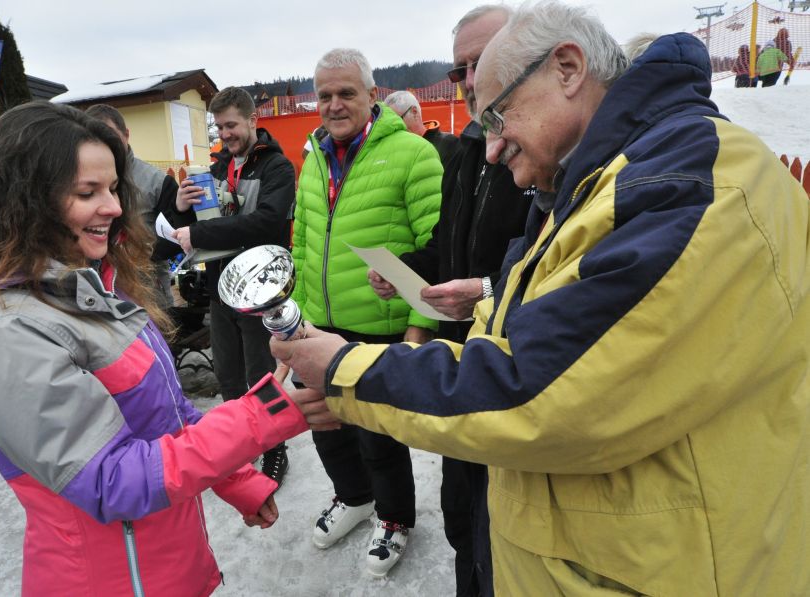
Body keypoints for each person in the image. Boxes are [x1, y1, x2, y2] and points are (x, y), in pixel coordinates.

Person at [273, 2, 810, 595]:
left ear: (567, 68)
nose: (491, 148)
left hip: (663, 564)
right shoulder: (608, 175)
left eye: (498, 115)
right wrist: (477, 303)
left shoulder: (680, 186)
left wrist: (348, 372)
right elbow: (554, 311)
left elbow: (543, 388)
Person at [0, 101, 310, 596]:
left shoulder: (91, 289)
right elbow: (111, 480)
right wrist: (262, 415)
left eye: (113, 188)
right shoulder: (8, 332)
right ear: (25, 201)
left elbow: (169, 413)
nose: (116, 207)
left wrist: (236, 480)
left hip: (166, 566)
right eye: (87, 192)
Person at [372, 6, 533, 595]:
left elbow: (552, 265)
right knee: (463, 518)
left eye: (481, 62)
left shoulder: (551, 152)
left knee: (506, 533)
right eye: (459, 68)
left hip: (517, 377)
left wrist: (486, 289)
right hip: (461, 363)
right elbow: (449, 242)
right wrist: (407, 270)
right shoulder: (466, 151)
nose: (469, 79)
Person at [293, 47, 442, 577]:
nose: (334, 104)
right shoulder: (313, 157)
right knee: (326, 428)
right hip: (319, 322)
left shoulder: (413, 154)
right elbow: (303, 244)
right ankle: (353, 497)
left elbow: (436, 250)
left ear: (372, 95)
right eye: (324, 95)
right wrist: (297, 320)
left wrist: (418, 330)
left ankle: (395, 516)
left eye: (346, 93)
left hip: (379, 329)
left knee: (380, 437)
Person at [172, 87, 295, 485]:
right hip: (220, 288)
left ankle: (275, 449)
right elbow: (201, 220)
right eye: (219, 127)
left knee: (262, 376)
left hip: (258, 291)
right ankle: (239, 445)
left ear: (252, 120)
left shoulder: (277, 167)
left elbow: (267, 222)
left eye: (231, 125)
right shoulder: (216, 167)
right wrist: (182, 206)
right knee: (227, 375)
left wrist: (200, 232)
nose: (225, 135)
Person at [84, 103, 181, 307]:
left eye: (110, 135)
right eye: (96, 137)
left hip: (147, 293)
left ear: (126, 135)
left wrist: (139, 253)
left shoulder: (157, 182)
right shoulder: (78, 179)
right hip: (95, 293)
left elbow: (177, 236)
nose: (105, 144)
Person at [383, 90, 460, 166]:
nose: (393, 127)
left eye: (397, 120)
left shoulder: (448, 144)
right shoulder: (392, 151)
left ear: (414, 112)